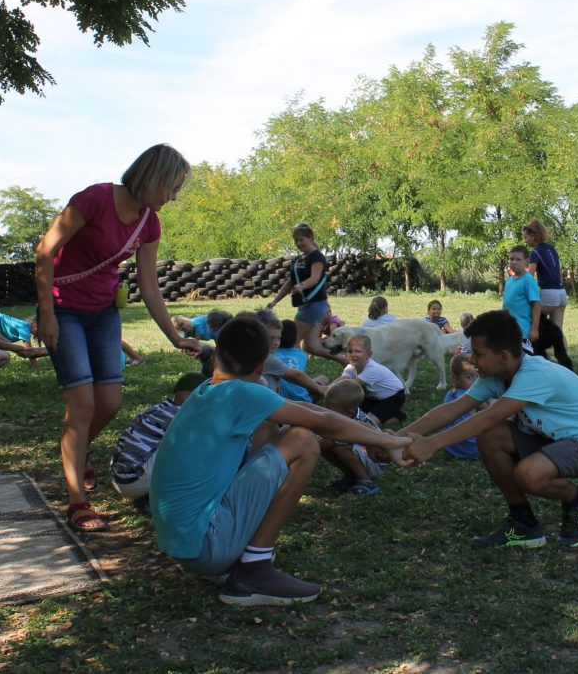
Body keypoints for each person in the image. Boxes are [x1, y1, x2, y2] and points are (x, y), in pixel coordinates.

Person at [149, 315, 409, 605]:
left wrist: (375, 436)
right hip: (207, 545)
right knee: (302, 440)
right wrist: (389, 441)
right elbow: (324, 422)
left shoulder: (206, 390)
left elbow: (306, 410)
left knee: (273, 427)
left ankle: (244, 558)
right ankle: (254, 568)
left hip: (183, 542)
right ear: (262, 366)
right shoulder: (242, 394)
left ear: (217, 356)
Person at [35, 144, 202, 533]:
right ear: (154, 178)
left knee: (109, 402)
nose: (174, 197)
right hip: (64, 310)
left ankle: (76, 451)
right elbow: (45, 250)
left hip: (103, 313)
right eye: (173, 187)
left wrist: (175, 337)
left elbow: (149, 285)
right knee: (81, 405)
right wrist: (47, 314)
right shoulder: (94, 199)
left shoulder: (150, 223)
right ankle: (77, 500)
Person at [401, 310, 578, 549]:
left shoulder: (534, 375)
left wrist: (433, 444)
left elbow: (489, 416)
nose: (472, 360)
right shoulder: (496, 374)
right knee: (490, 437)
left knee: (527, 474)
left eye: (479, 354)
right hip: (548, 440)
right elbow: (452, 409)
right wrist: (397, 437)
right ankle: (524, 523)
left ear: (504, 356)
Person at [110, 373, 209, 507]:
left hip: (120, 477)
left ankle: (150, 493)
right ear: (189, 397)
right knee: (198, 447)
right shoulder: (182, 415)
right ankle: (166, 498)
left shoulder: (160, 408)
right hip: (133, 479)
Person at [267, 223, 346, 363]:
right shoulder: (298, 260)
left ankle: (295, 369)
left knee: (293, 340)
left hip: (315, 305)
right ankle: (346, 361)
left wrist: (302, 286)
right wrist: (275, 301)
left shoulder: (317, 257)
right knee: (311, 346)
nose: (298, 243)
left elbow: (315, 278)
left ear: (310, 238)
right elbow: (290, 282)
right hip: (307, 305)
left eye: (301, 239)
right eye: (296, 240)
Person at [317, 378, 389, 497]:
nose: (325, 411)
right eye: (325, 406)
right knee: (327, 446)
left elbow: (330, 440)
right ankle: (351, 477)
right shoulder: (344, 414)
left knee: (338, 445)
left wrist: (310, 446)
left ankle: (366, 482)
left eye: (329, 409)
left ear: (349, 412)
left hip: (375, 461)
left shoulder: (356, 422)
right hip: (363, 456)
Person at [250, 311, 327, 401]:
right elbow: (297, 375)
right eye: (271, 338)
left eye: (278, 338)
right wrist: (321, 390)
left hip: (275, 401)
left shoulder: (250, 355)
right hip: (274, 405)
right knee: (324, 382)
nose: (276, 343)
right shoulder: (266, 359)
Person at [338, 333, 407, 425]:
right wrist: (329, 387)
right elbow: (342, 381)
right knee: (353, 412)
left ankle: (399, 415)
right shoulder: (351, 367)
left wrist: (326, 391)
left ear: (368, 354)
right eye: (350, 351)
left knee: (368, 422)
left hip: (393, 396)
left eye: (358, 351)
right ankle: (385, 412)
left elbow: (348, 386)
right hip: (373, 397)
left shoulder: (372, 369)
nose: (353, 355)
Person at [523, 218, 567, 330]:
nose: (525, 241)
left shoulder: (535, 252)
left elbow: (529, 278)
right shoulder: (551, 249)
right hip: (562, 293)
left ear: (533, 236)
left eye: (525, 237)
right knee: (557, 333)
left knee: (528, 320)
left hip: (548, 295)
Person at [440, 354, 481, 460]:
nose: (475, 382)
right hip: (471, 449)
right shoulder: (471, 397)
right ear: (456, 378)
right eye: (469, 377)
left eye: (477, 376)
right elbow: (489, 411)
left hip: (451, 447)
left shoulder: (450, 394)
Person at [503, 246, 541, 351]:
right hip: (508, 330)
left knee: (522, 358)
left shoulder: (528, 280)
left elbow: (536, 305)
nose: (513, 262)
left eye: (518, 259)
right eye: (511, 259)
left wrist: (534, 329)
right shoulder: (509, 281)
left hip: (522, 332)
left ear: (527, 261)